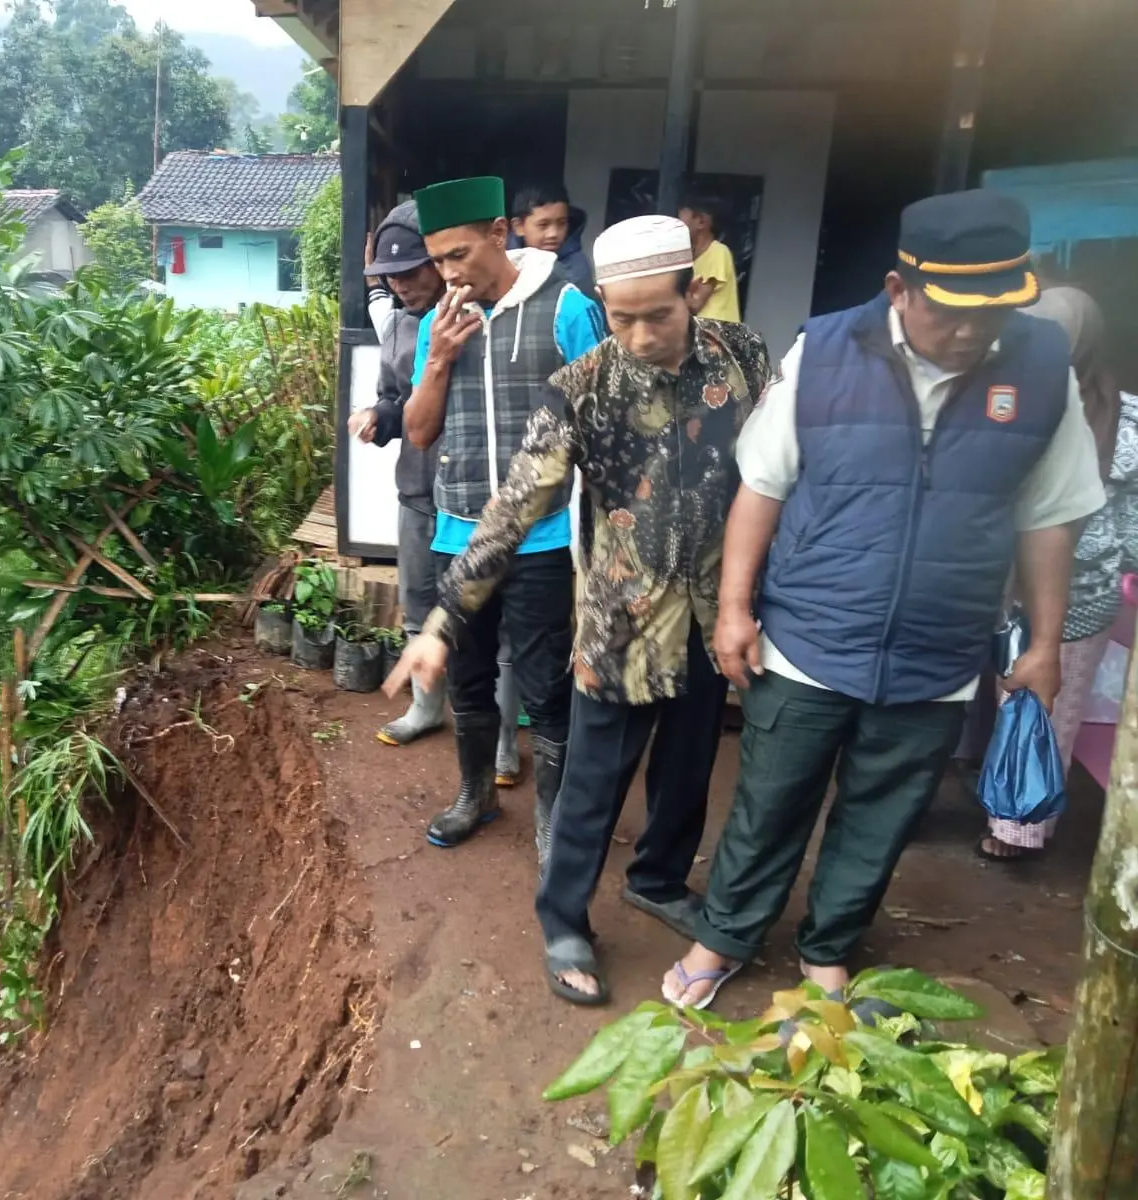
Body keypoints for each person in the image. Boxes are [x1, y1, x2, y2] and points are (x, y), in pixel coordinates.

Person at [663, 191, 1106, 1010]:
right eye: (953, 311)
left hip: (939, 647)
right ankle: (723, 935)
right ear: (900, 289)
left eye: (996, 311)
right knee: (769, 803)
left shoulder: (1041, 368)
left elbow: (1051, 517)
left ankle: (827, 946)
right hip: (809, 635)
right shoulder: (826, 352)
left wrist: (1044, 644)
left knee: (881, 816)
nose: (976, 331)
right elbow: (760, 485)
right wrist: (734, 609)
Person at [388, 215, 773, 1005]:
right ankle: (564, 919)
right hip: (621, 626)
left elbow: (775, 474)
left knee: (690, 765)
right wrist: (442, 622)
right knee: (593, 784)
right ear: (602, 300)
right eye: (621, 315)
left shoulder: (742, 359)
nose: (637, 334)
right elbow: (513, 508)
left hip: (714, 616)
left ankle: (659, 879)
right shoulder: (580, 390)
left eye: (657, 315)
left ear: (690, 293)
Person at [399, 175, 605, 851]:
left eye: (460, 254)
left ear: (499, 233)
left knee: (546, 686)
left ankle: (551, 819)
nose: (448, 272)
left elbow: (604, 426)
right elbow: (420, 433)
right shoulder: (438, 323)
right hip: (457, 531)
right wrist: (439, 360)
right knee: (467, 675)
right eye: (438, 260)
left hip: (542, 538)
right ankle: (476, 794)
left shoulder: (566, 308)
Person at [979, 286, 1138, 860]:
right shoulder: (1004, 397)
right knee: (1009, 704)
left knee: (1044, 710)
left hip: (1074, 595)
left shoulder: (1126, 423)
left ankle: (1019, 828)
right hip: (993, 584)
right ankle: (999, 804)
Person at [350, 202, 451, 745]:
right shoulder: (400, 328)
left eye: (412, 271)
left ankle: (505, 741)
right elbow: (394, 401)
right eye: (392, 276)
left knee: (491, 617)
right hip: (416, 488)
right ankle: (426, 708)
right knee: (418, 603)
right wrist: (375, 418)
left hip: (475, 496)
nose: (402, 285)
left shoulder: (480, 319)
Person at [511, 182, 594, 294]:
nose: (553, 234)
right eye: (543, 225)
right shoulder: (503, 259)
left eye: (562, 223)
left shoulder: (577, 268)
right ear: (519, 227)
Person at [678, 195, 742, 324]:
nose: (677, 226)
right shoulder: (693, 257)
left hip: (716, 336)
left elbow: (695, 305)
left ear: (701, 222)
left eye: (681, 220)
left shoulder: (718, 252)